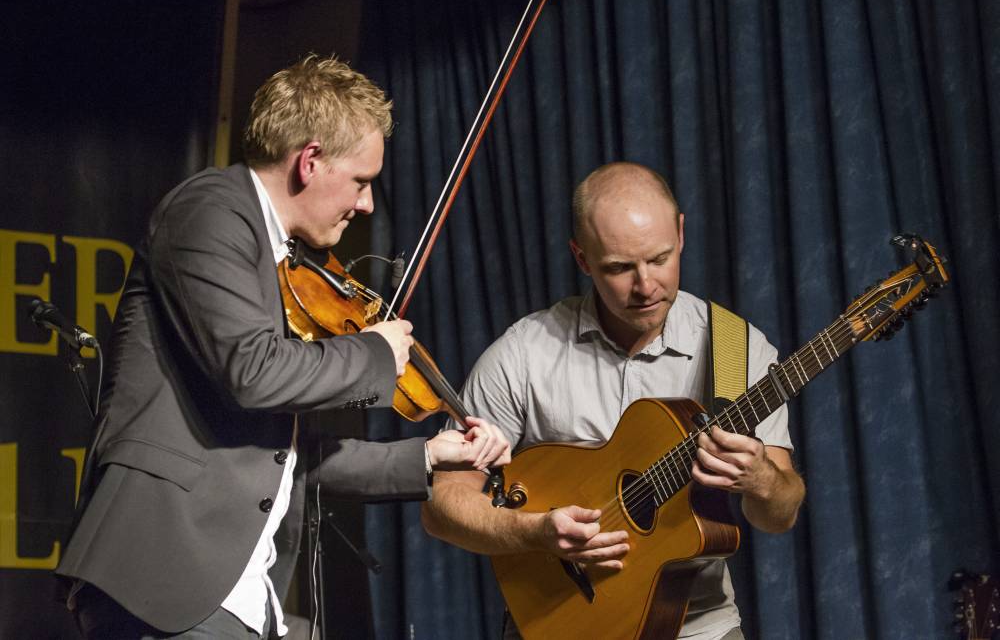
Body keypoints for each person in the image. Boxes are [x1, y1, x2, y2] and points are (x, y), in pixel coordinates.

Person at [55, 55, 511, 639]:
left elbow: (289, 456)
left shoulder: (283, 261)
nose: (367, 204)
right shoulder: (210, 211)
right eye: (361, 181)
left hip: (239, 594)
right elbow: (253, 372)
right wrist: (374, 351)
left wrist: (427, 456)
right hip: (165, 573)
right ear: (310, 161)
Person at [421, 162, 806, 640]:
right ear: (582, 258)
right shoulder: (523, 353)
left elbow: (779, 516)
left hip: (696, 625)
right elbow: (441, 504)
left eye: (660, 259)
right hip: (561, 621)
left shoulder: (737, 350)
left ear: (681, 233)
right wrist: (535, 531)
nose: (645, 286)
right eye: (619, 268)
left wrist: (762, 479)